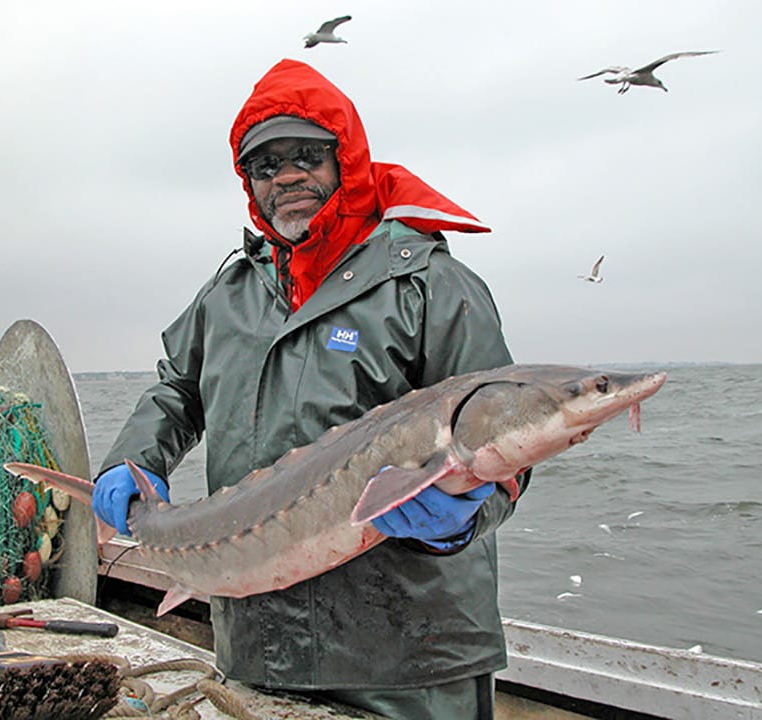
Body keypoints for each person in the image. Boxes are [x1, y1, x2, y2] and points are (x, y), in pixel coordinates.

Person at [94, 58, 529, 720]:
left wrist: (467, 516)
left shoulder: (431, 285)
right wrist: (134, 460)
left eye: (306, 156)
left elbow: (508, 441)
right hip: (256, 645)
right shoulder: (228, 294)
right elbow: (176, 391)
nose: (287, 177)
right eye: (265, 166)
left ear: (345, 160)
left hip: (411, 660)